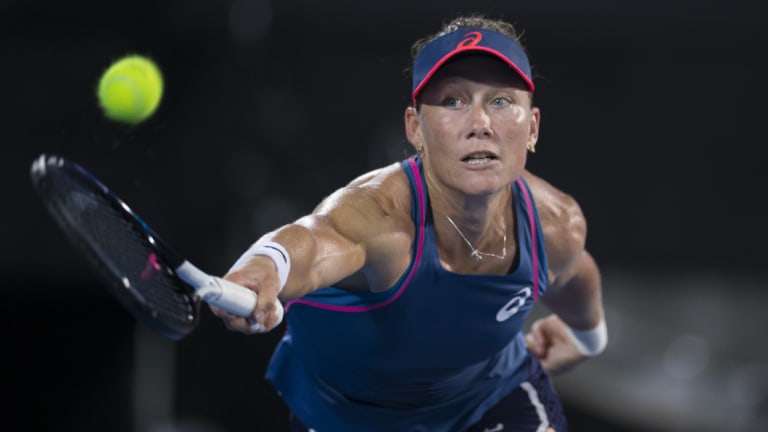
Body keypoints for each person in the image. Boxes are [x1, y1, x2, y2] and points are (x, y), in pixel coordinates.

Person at [212, 14, 607, 432]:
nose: (480, 124)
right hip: (352, 419)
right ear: (415, 129)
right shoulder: (379, 215)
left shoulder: (556, 224)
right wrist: (268, 264)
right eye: (453, 101)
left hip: (491, 400)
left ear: (533, 127)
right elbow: (314, 239)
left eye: (501, 101)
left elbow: (577, 275)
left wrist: (588, 338)